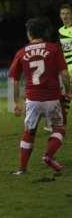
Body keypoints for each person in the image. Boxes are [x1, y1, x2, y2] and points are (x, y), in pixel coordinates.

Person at [9, 18, 71, 175]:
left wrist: (16, 101)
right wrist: (68, 91)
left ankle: (22, 169)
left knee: (29, 132)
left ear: (29, 34)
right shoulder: (54, 49)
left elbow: (14, 80)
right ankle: (48, 156)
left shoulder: (21, 52)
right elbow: (64, 74)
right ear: (44, 33)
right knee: (59, 128)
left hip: (32, 99)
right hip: (53, 98)